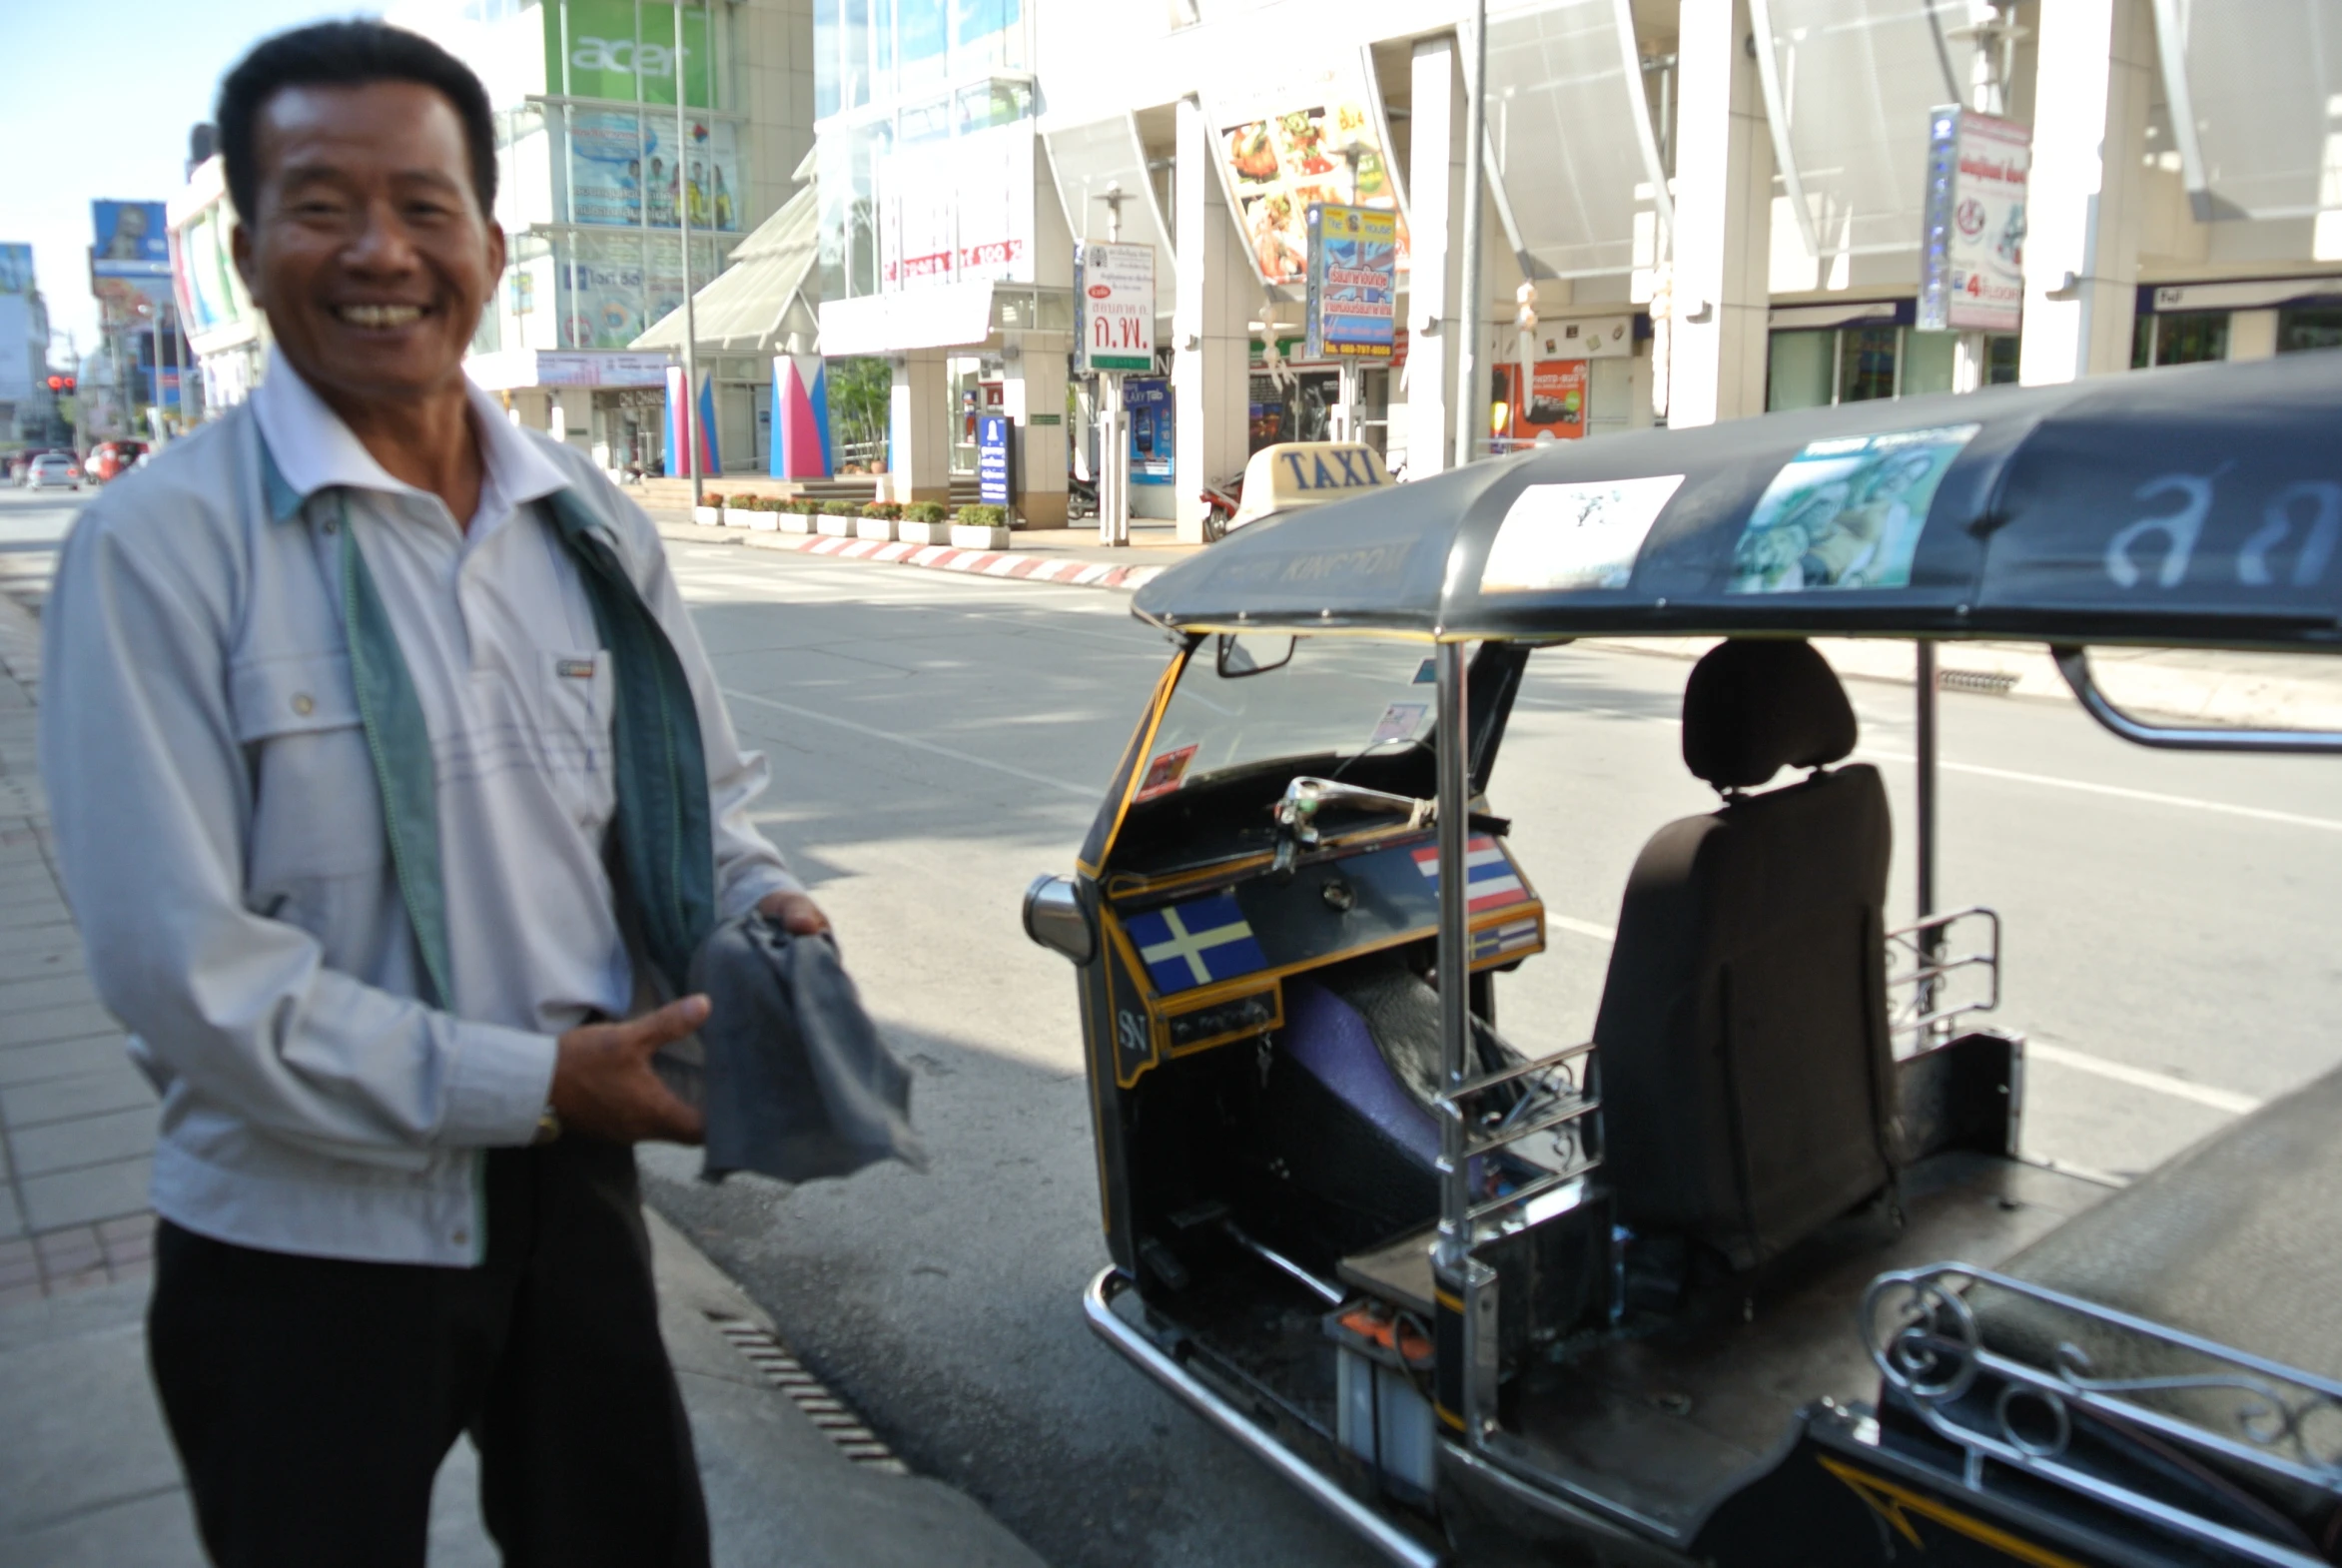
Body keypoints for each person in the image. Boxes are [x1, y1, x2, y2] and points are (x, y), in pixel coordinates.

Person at [39, 21, 829, 1567]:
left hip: (572, 1209)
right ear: (253, 248)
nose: (378, 250)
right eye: (322, 205)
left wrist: (760, 902)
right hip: (293, 1241)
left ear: (492, 238)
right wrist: (535, 1084)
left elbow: (701, 806)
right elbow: (186, 978)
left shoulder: (587, 521)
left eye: (422, 203)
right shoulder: (155, 553)